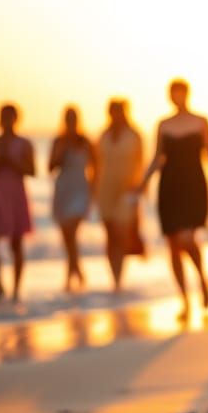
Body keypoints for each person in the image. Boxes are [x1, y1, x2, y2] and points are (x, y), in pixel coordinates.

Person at [139, 79, 208, 321]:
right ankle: (184, 299)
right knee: (173, 244)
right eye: (173, 93)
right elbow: (157, 157)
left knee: (188, 238)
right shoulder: (163, 125)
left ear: (187, 94)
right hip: (170, 186)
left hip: (194, 185)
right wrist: (144, 181)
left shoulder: (201, 122)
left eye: (180, 92)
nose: (177, 96)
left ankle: (202, 279)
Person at [0, 104, 35, 303]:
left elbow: (32, 170)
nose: (7, 120)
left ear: (16, 118)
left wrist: (12, 161)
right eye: (4, 116)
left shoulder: (24, 143)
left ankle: (16, 289)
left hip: (16, 195)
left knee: (16, 244)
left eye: (10, 116)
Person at [95, 100, 144, 291]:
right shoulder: (103, 135)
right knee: (109, 233)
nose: (115, 115)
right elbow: (96, 165)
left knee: (122, 232)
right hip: (105, 187)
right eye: (113, 112)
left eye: (119, 111)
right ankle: (113, 275)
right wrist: (93, 189)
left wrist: (139, 190)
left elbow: (141, 162)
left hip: (127, 188)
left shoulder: (134, 135)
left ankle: (119, 276)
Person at [49, 106, 96, 292]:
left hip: (80, 189)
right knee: (67, 236)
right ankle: (77, 271)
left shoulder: (85, 142)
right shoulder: (58, 141)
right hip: (63, 189)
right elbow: (50, 167)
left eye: (73, 118)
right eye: (68, 119)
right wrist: (62, 150)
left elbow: (96, 166)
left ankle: (71, 276)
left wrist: (93, 189)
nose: (71, 122)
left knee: (72, 232)